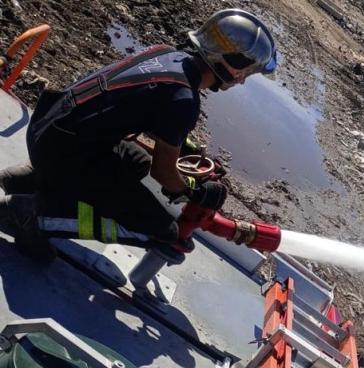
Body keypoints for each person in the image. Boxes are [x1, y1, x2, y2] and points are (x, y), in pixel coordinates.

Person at [0, 9, 278, 260]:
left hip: (50, 127)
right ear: (232, 65)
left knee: (137, 162)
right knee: (163, 233)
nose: (242, 80)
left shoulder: (166, 54)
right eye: (246, 73)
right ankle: (33, 216)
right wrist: (194, 192)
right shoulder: (183, 99)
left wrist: (180, 144)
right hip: (63, 152)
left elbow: (129, 110)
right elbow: (163, 175)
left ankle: (28, 179)